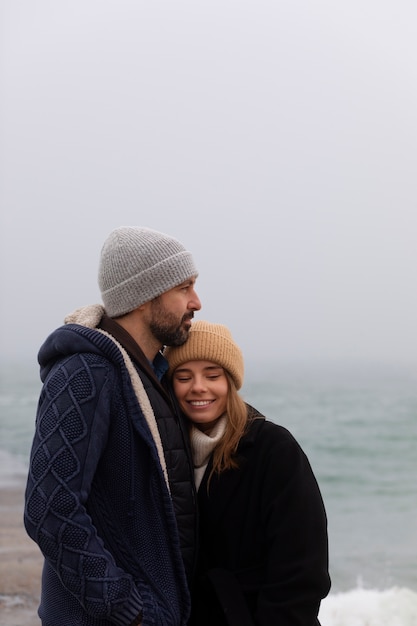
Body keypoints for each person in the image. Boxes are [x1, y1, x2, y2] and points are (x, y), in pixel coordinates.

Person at [24, 226, 202, 626]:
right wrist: (128, 609)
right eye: (184, 288)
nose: (197, 302)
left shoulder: (149, 375)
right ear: (146, 296)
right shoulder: (85, 372)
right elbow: (48, 508)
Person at [164, 321, 331, 626]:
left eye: (212, 375)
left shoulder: (273, 449)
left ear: (231, 381)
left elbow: (302, 567)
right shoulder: (165, 453)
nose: (198, 387)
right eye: (183, 376)